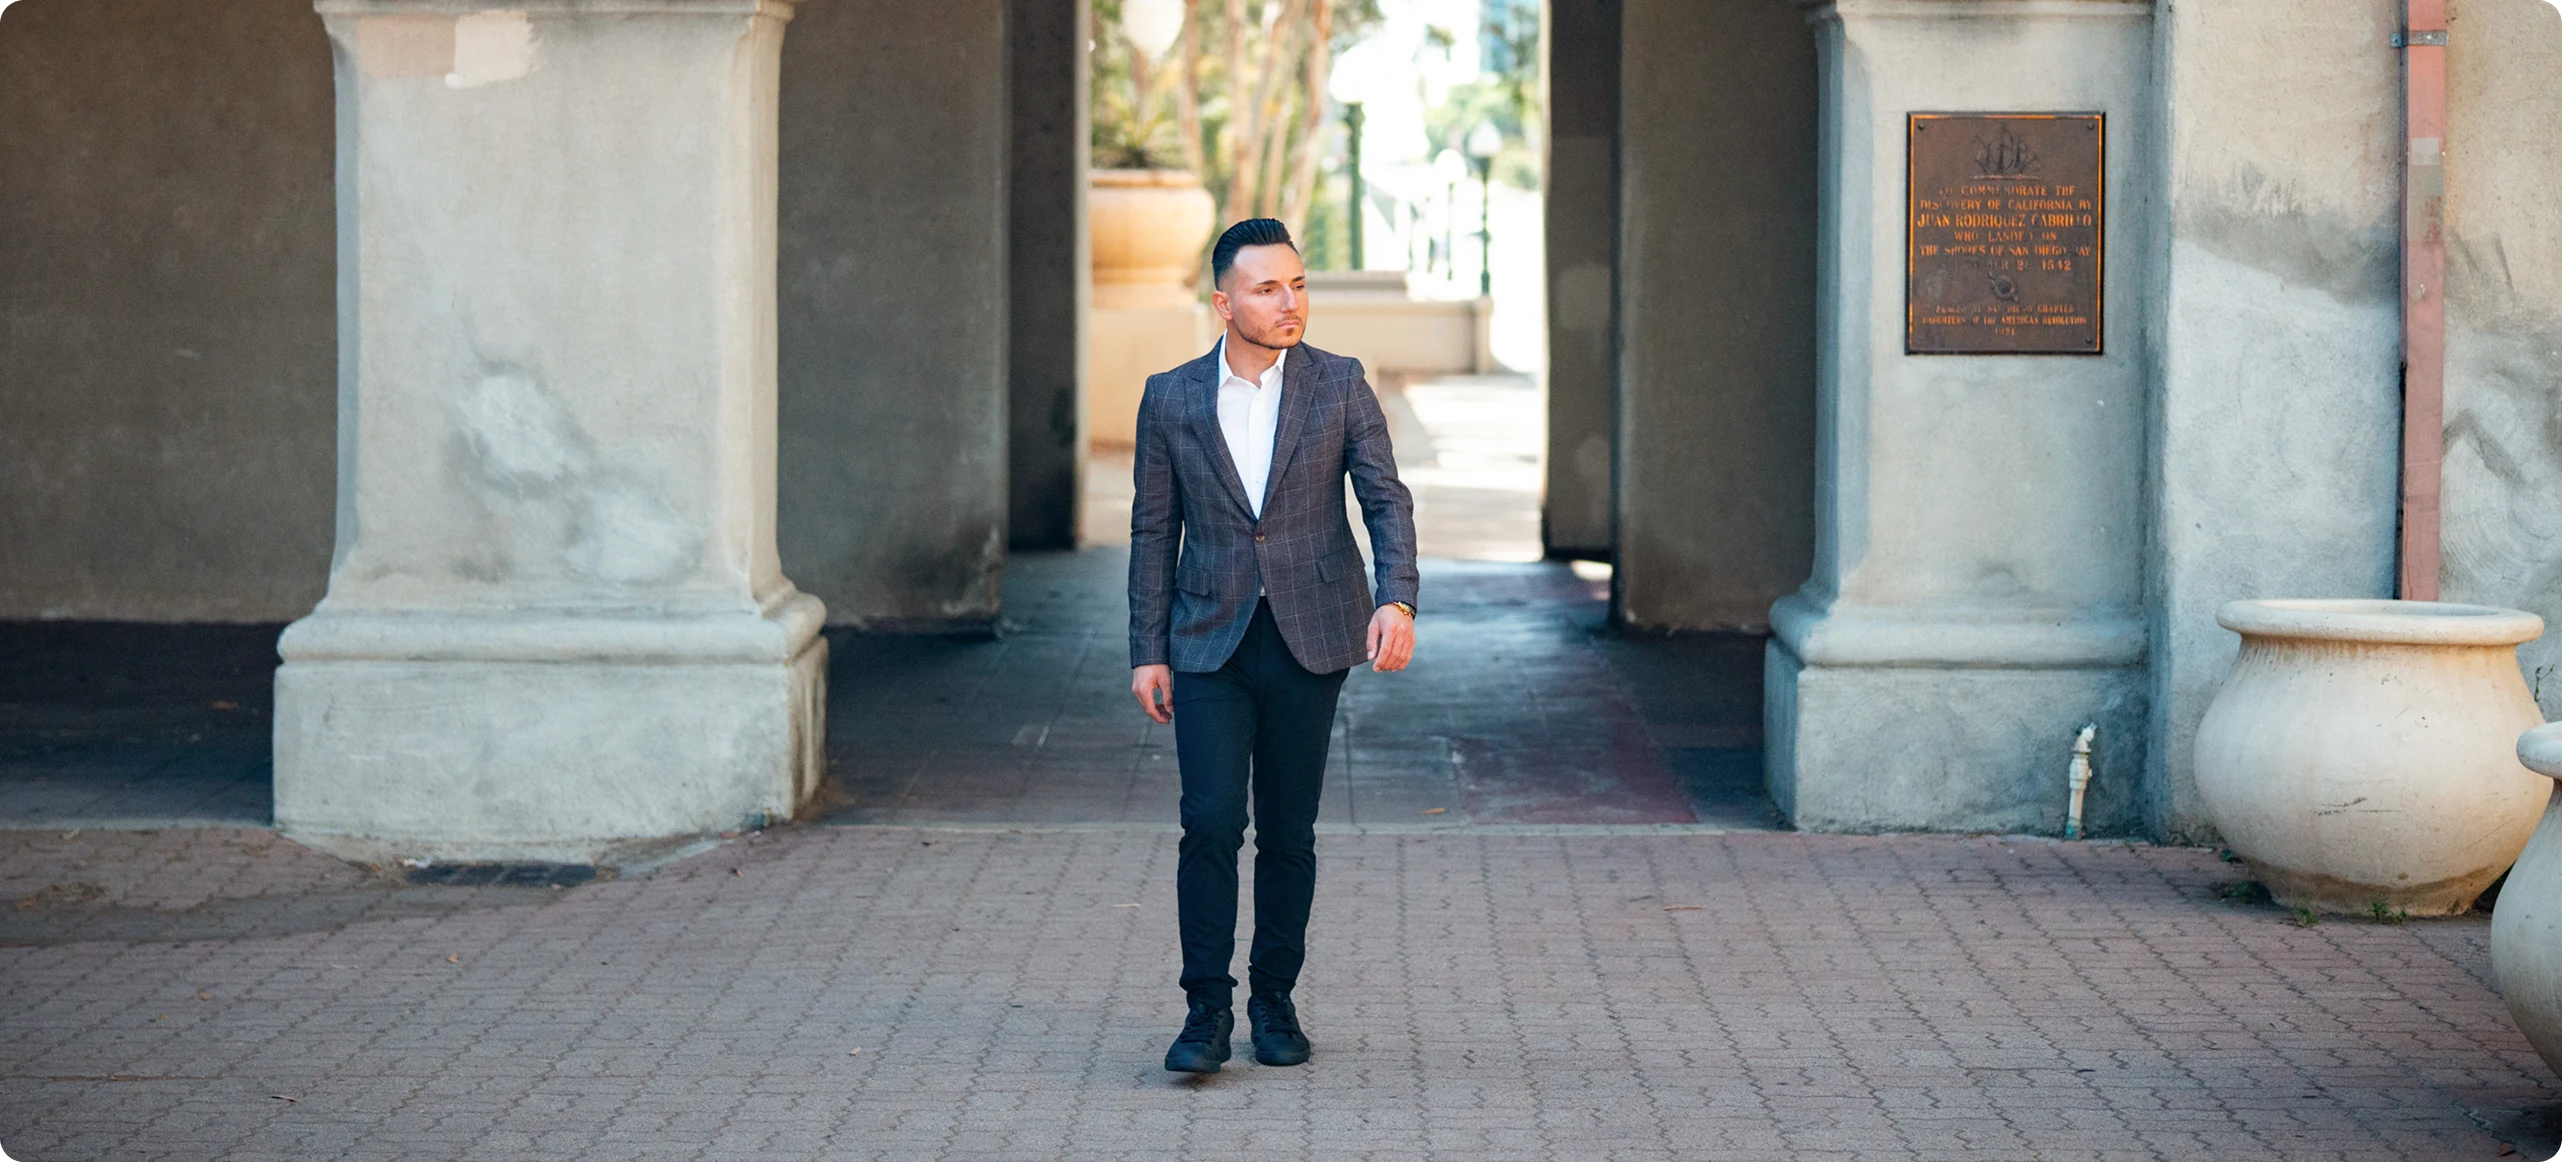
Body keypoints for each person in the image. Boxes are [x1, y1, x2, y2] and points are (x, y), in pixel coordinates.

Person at [1127, 218, 1419, 1075]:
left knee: (1289, 831)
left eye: (1297, 284)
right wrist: (1148, 648)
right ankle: (1204, 1013)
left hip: (1312, 635)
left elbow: (1385, 500)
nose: (1288, 302)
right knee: (1210, 822)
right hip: (1206, 640)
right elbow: (1153, 530)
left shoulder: (1339, 384)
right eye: (1267, 288)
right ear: (1225, 304)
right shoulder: (1171, 396)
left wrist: (1397, 596)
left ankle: (1274, 1001)